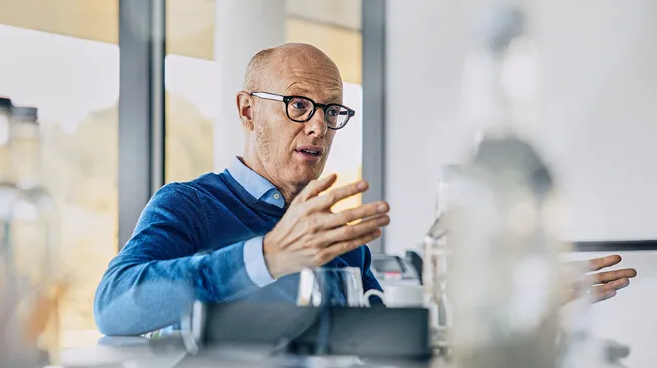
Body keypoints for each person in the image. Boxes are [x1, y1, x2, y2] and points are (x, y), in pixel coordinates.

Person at [94, 43, 635, 337]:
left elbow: (385, 338)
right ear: (247, 110)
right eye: (299, 105)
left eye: (332, 111)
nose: (318, 127)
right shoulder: (188, 205)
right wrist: (269, 255)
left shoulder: (338, 235)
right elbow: (113, 307)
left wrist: (522, 298)